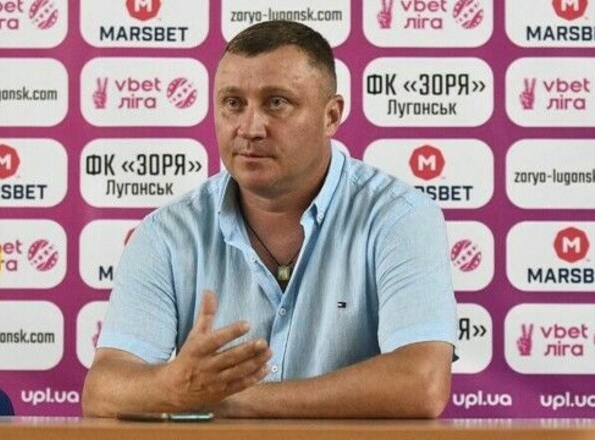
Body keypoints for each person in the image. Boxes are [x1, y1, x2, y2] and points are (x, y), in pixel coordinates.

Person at [82, 20, 457, 419]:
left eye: (276, 102)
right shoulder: (167, 233)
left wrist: (222, 401)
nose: (250, 128)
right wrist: (171, 386)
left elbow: (422, 383)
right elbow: (104, 391)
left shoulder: (399, 217)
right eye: (233, 103)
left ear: (331, 116)